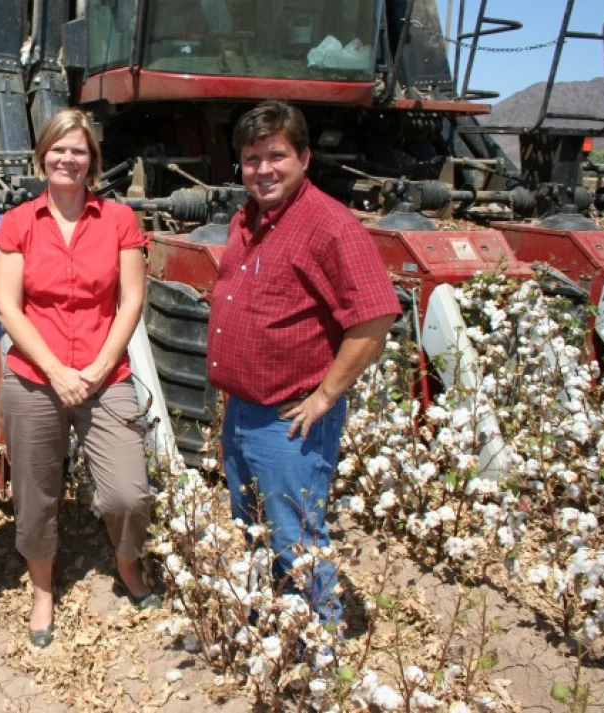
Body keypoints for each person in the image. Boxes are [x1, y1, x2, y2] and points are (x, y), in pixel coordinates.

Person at [208, 100, 399, 627]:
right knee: (253, 527)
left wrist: (325, 395)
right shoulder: (245, 220)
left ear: (305, 157)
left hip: (290, 419)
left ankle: (321, 658)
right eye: (251, 159)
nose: (263, 169)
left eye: (276, 155)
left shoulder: (329, 224)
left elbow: (376, 317)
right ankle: (276, 633)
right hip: (243, 410)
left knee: (295, 540)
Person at [0, 108, 158, 649]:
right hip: (34, 377)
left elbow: (131, 299)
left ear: (93, 161)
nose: (68, 159)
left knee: (127, 494)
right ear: (42, 156)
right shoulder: (18, 222)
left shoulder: (118, 220)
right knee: (35, 494)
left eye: (78, 151)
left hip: (105, 375)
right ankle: (43, 587)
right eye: (58, 149)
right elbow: (8, 307)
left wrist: (100, 366)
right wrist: (58, 371)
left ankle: (127, 562)